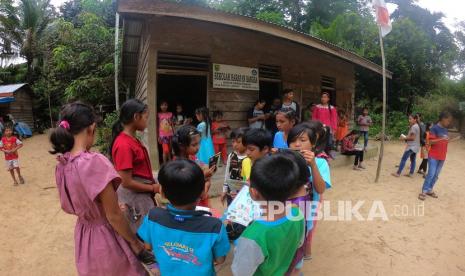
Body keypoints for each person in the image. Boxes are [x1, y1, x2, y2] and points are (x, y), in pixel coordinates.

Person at [50, 102, 153, 276]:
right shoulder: (93, 162)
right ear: (91, 128)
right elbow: (113, 216)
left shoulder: (62, 164)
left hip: (85, 237)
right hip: (107, 238)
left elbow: (71, 204)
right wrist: (136, 244)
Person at [138, 160, 230, 275]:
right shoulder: (214, 226)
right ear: (202, 192)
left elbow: (148, 246)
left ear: (161, 192)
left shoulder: (153, 217)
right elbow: (220, 259)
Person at [231, 154, 305, 276]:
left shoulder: (252, 236)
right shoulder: (297, 213)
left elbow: (240, 272)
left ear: (254, 192)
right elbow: (299, 243)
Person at [110, 99, 159, 232]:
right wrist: (153, 188)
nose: (147, 121)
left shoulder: (132, 140)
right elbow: (126, 182)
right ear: (136, 117)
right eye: (146, 117)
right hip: (134, 200)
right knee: (141, 235)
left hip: (141, 196)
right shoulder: (124, 145)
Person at [287, 122, 332, 260]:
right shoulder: (285, 161)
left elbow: (320, 188)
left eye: (302, 140)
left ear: (313, 144)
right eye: (293, 141)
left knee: (304, 234)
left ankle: (303, 255)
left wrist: (313, 165)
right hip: (284, 209)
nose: (297, 144)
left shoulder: (320, 163)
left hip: (308, 208)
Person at [172, 125, 215, 208]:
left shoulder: (192, 157)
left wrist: (206, 172)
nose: (198, 147)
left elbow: (202, 166)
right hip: (190, 204)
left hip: (200, 197)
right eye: (194, 145)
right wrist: (203, 177)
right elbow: (185, 183)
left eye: (199, 143)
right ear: (182, 146)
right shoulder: (178, 164)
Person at [419, 111, 453, 201]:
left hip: (442, 156)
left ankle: (430, 189)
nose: (449, 123)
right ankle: (424, 191)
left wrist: (448, 140)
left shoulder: (445, 130)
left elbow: (444, 141)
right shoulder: (434, 128)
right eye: (448, 121)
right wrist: (442, 138)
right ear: (443, 119)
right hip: (433, 155)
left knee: (436, 175)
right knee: (431, 174)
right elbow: (430, 142)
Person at [222, 127, 249, 206]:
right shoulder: (231, 155)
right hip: (231, 192)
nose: (235, 145)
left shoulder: (250, 158)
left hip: (245, 193)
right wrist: (224, 190)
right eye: (233, 141)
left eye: (238, 142)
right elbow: (227, 174)